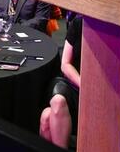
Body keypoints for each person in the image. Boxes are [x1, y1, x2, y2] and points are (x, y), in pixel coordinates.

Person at [40, 14, 82, 148]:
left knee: (47, 117)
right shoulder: (78, 22)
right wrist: (83, 84)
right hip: (75, 83)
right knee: (57, 101)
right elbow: (65, 64)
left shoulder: (111, 28)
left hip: (98, 92)